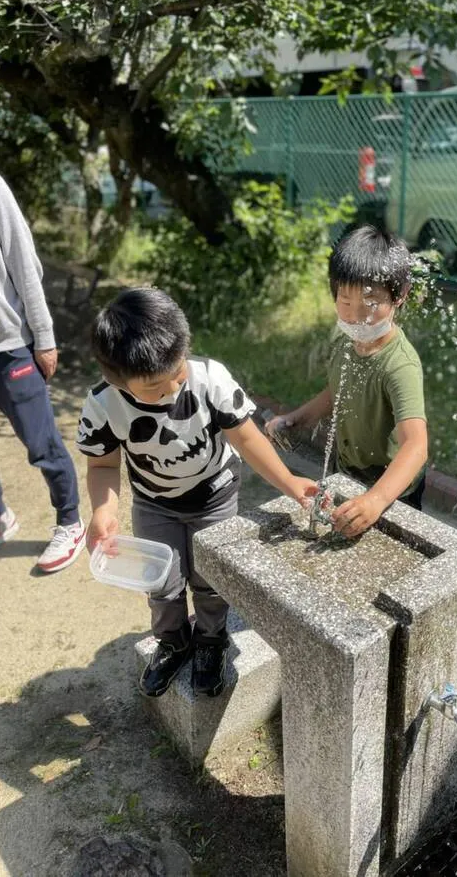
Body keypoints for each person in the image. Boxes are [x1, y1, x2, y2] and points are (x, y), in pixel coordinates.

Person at [77, 287, 319, 699]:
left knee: (210, 576)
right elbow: (102, 464)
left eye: (179, 368)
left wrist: (290, 481)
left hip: (215, 495)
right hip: (155, 502)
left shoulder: (209, 379)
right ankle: (173, 641)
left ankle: (211, 639)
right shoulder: (103, 405)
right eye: (156, 385)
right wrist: (103, 510)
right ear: (115, 379)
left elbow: (246, 438)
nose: (176, 383)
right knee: (161, 580)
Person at [266, 225, 428, 537]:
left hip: (392, 486)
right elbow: (338, 390)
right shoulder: (348, 341)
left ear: (400, 296)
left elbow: (416, 445)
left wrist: (377, 499)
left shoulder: (399, 365)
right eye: (344, 299)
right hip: (350, 469)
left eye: (370, 303)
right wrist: (297, 418)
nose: (355, 316)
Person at [0, 164, 86, 570]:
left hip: (8, 346)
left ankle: (70, 522)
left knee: (42, 445)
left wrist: (44, 336)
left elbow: (24, 262)